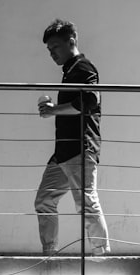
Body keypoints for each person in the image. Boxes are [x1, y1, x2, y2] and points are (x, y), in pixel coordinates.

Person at [35, 19, 110, 257]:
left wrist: (53, 110)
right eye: (49, 50)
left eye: (55, 47)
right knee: (45, 200)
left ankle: (101, 258)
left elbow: (89, 102)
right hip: (64, 152)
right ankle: (49, 256)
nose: (52, 53)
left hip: (79, 148)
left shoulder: (83, 68)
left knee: (86, 203)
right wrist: (55, 109)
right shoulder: (70, 71)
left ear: (71, 41)